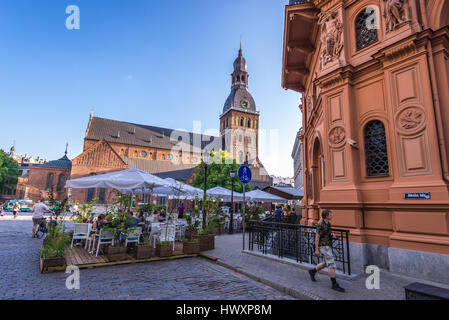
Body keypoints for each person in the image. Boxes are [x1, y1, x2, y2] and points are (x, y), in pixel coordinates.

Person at [308, 209, 345, 292]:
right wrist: (316, 250)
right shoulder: (320, 224)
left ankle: (312, 271)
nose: (332, 215)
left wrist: (332, 234)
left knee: (325, 263)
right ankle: (334, 284)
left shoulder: (328, 223)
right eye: (331, 214)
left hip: (328, 245)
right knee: (331, 264)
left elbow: (329, 231)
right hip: (324, 246)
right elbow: (317, 237)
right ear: (327, 216)